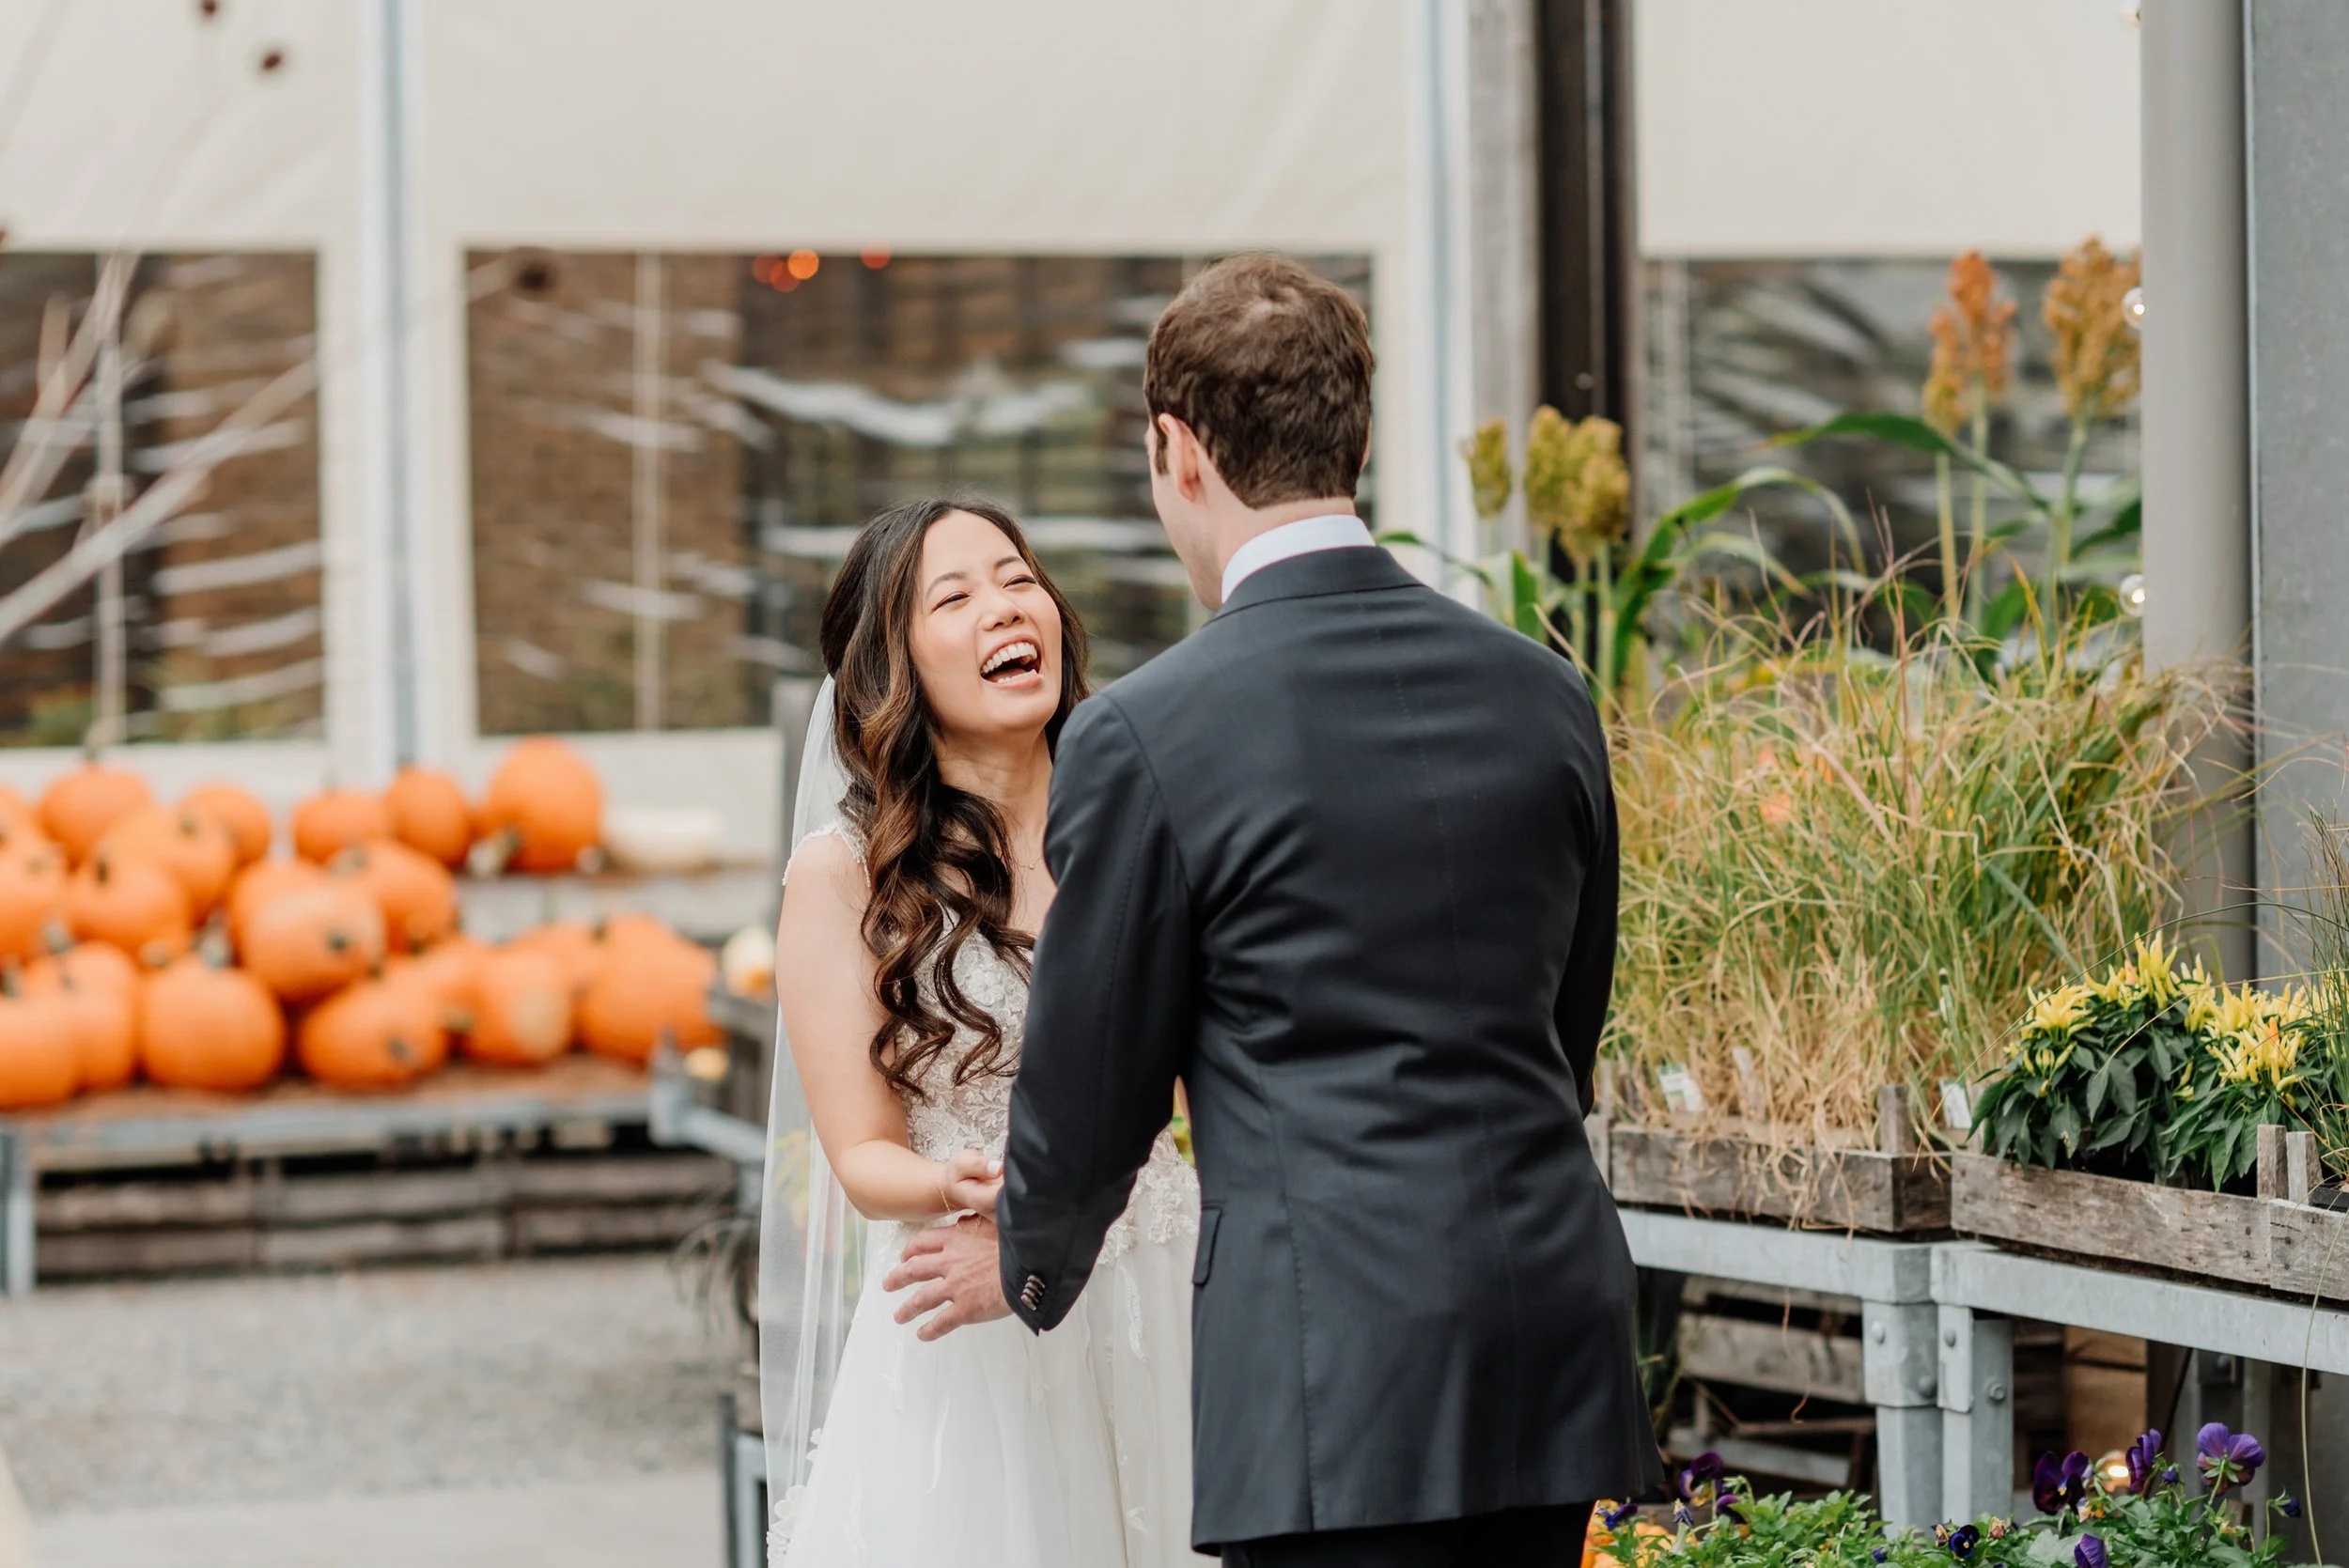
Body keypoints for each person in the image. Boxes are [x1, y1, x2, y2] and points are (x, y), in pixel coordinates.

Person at [887, 254, 1664, 1565]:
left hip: (1332, 1366)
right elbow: (1567, 1019)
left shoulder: (1149, 734)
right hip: (1550, 1323)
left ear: (1176, 450)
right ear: (1356, 434)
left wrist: (1030, 1250)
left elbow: (1097, 1073)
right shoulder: (1543, 691)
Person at [767, 497, 1201, 1566]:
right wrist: (965, 1185)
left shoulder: (1145, 811)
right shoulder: (844, 871)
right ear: (893, 667)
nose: (1007, 607)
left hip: (1163, 1283)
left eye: (1017, 578)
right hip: (965, 1316)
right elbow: (863, 1156)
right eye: (954, 597)